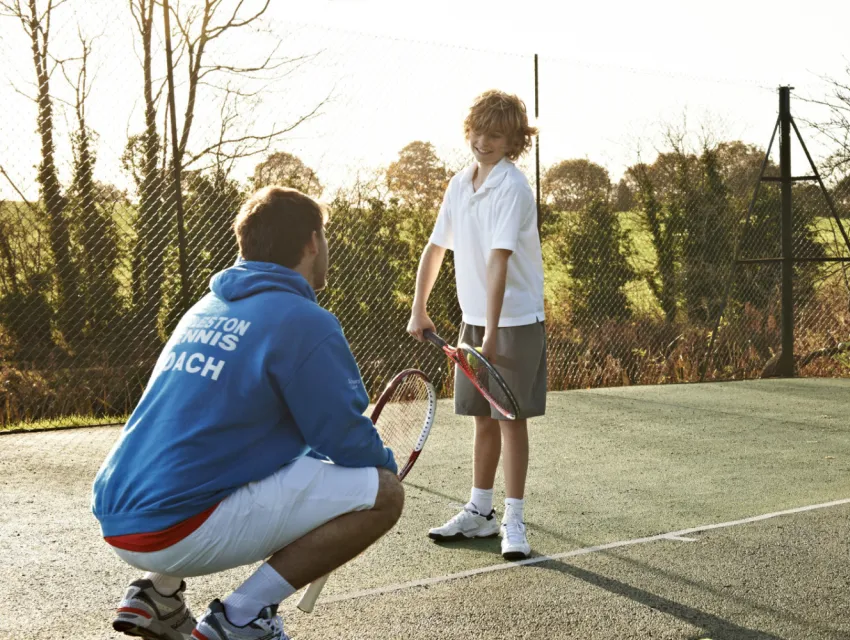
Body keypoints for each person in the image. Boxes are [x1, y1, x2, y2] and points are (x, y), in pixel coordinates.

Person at [92, 186, 404, 640]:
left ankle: (156, 595)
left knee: (238, 459)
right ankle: (242, 616)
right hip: (176, 529)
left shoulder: (204, 308)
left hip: (118, 516)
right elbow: (343, 437)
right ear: (313, 242)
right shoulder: (306, 321)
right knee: (385, 495)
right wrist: (385, 469)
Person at [407, 89, 546, 561]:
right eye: (478, 131)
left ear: (514, 142)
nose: (484, 141)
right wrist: (418, 307)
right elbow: (435, 248)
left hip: (513, 322)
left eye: (496, 135)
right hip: (475, 322)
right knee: (482, 420)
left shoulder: (512, 187)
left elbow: (498, 261)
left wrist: (489, 330)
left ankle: (514, 520)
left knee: (510, 418)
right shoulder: (457, 183)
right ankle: (479, 512)